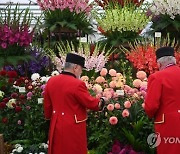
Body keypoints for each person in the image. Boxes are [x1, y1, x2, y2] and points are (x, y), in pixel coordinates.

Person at [43, 53, 105, 154]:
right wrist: (102, 101)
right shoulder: (77, 84)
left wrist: (49, 118)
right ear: (75, 67)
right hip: (72, 126)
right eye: (81, 69)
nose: (81, 72)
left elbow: (47, 106)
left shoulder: (51, 81)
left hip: (56, 124)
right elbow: (90, 103)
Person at [144, 47, 180, 154]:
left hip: (168, 124)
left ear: (159, 64)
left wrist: (149, 113)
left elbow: (151, 106)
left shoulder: (157, 77)